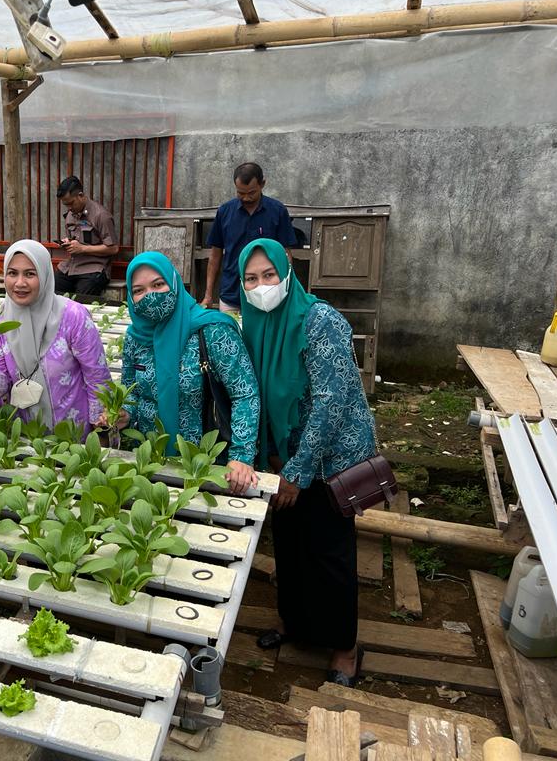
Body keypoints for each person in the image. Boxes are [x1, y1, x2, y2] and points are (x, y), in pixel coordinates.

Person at [238, 237, 375, 686]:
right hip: (284, 455)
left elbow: (331, 404)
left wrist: (296, 472)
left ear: (287, 272)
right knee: (291, 544)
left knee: (329, 551)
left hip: (329, 459)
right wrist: (270, 458)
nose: (261, 287)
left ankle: (344, 646)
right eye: (251, 279)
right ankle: (295, 623)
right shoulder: (254, 324)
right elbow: (253, 394)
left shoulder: (320, 321)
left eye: (269, 275)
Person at [106, 251, 260, 494]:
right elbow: (132, 394)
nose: (150, 296)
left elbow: (245, 394)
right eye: (139, 290)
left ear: (174, 283)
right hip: (148, 460)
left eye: (158, 284)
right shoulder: (136, 338)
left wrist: (241, 455)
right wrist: (124, 413)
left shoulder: (212, 330)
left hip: (203, 464)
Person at [0, 240, 111, 435]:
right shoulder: (0, 323)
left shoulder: (73, 316)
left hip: (74, 436)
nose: (20, 283)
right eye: (12, 273)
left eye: (30, 274)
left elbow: (97, 377)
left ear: (45, 275)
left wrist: (100, 432)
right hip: (27, 437)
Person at [201, 162, 297, 316]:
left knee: (263, 340)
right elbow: (215, 256)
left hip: (267, 295)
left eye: (251, 193)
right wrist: (208, 295)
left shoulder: (277, 211)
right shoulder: (225, 212)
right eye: (240, 193)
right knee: (231, 337)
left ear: (262, 184)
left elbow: (286, 255)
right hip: (231, 296)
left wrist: (287, 290)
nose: (246, 198)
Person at [53, 175, 119, 297]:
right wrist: (68, 243)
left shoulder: (101, 216)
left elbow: (114, 248)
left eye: (71, 203)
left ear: (81, 195)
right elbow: (75, 240)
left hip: (94, 269)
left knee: (82, 299)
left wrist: (82, 248)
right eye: (66, 205)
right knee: (52, 289)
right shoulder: (70, 214)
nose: (69, 208)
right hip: (71, 267)